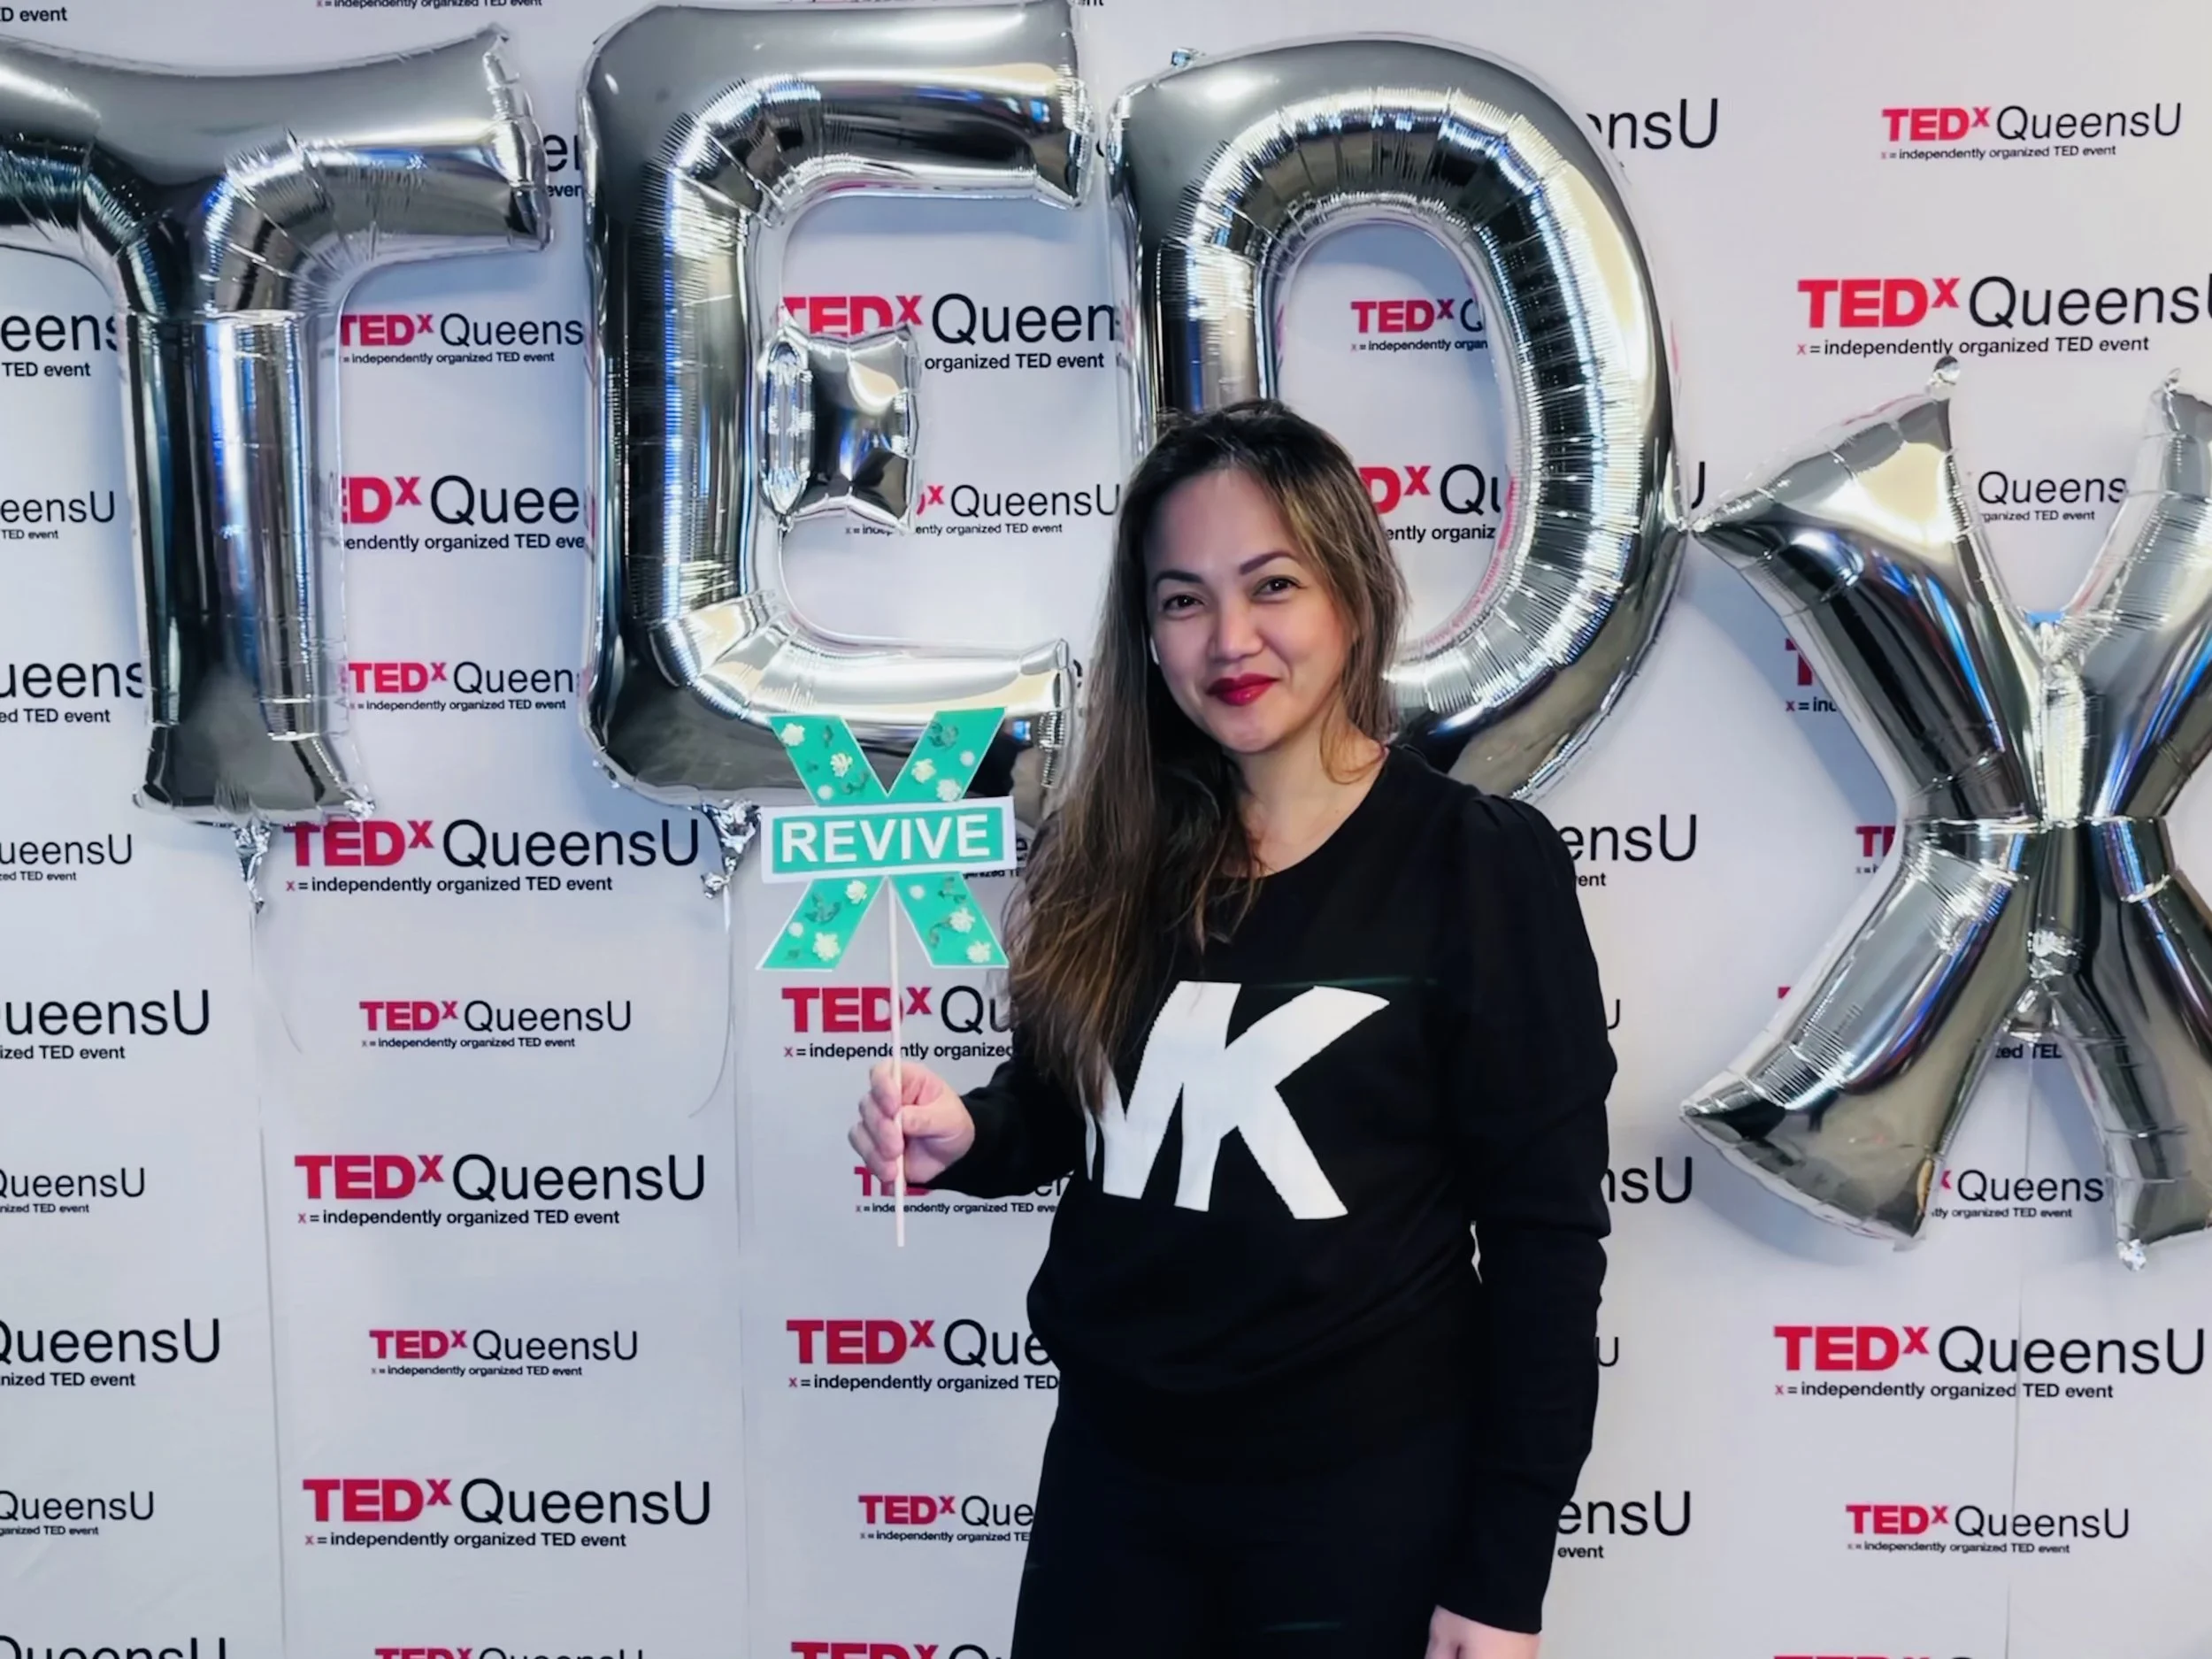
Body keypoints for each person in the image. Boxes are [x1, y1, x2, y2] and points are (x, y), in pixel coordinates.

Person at [849, 399, 1614, 1658]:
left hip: (1358, 1511)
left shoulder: (1478, 868)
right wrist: (961, 1134)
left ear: (1353, 597)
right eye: (1183, 599)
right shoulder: (1116, 852)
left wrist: (1503, 1571)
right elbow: (1060, 1110)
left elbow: (1545, 1244)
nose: (1231, 638)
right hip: (1115, 1494)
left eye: (1272, 585)